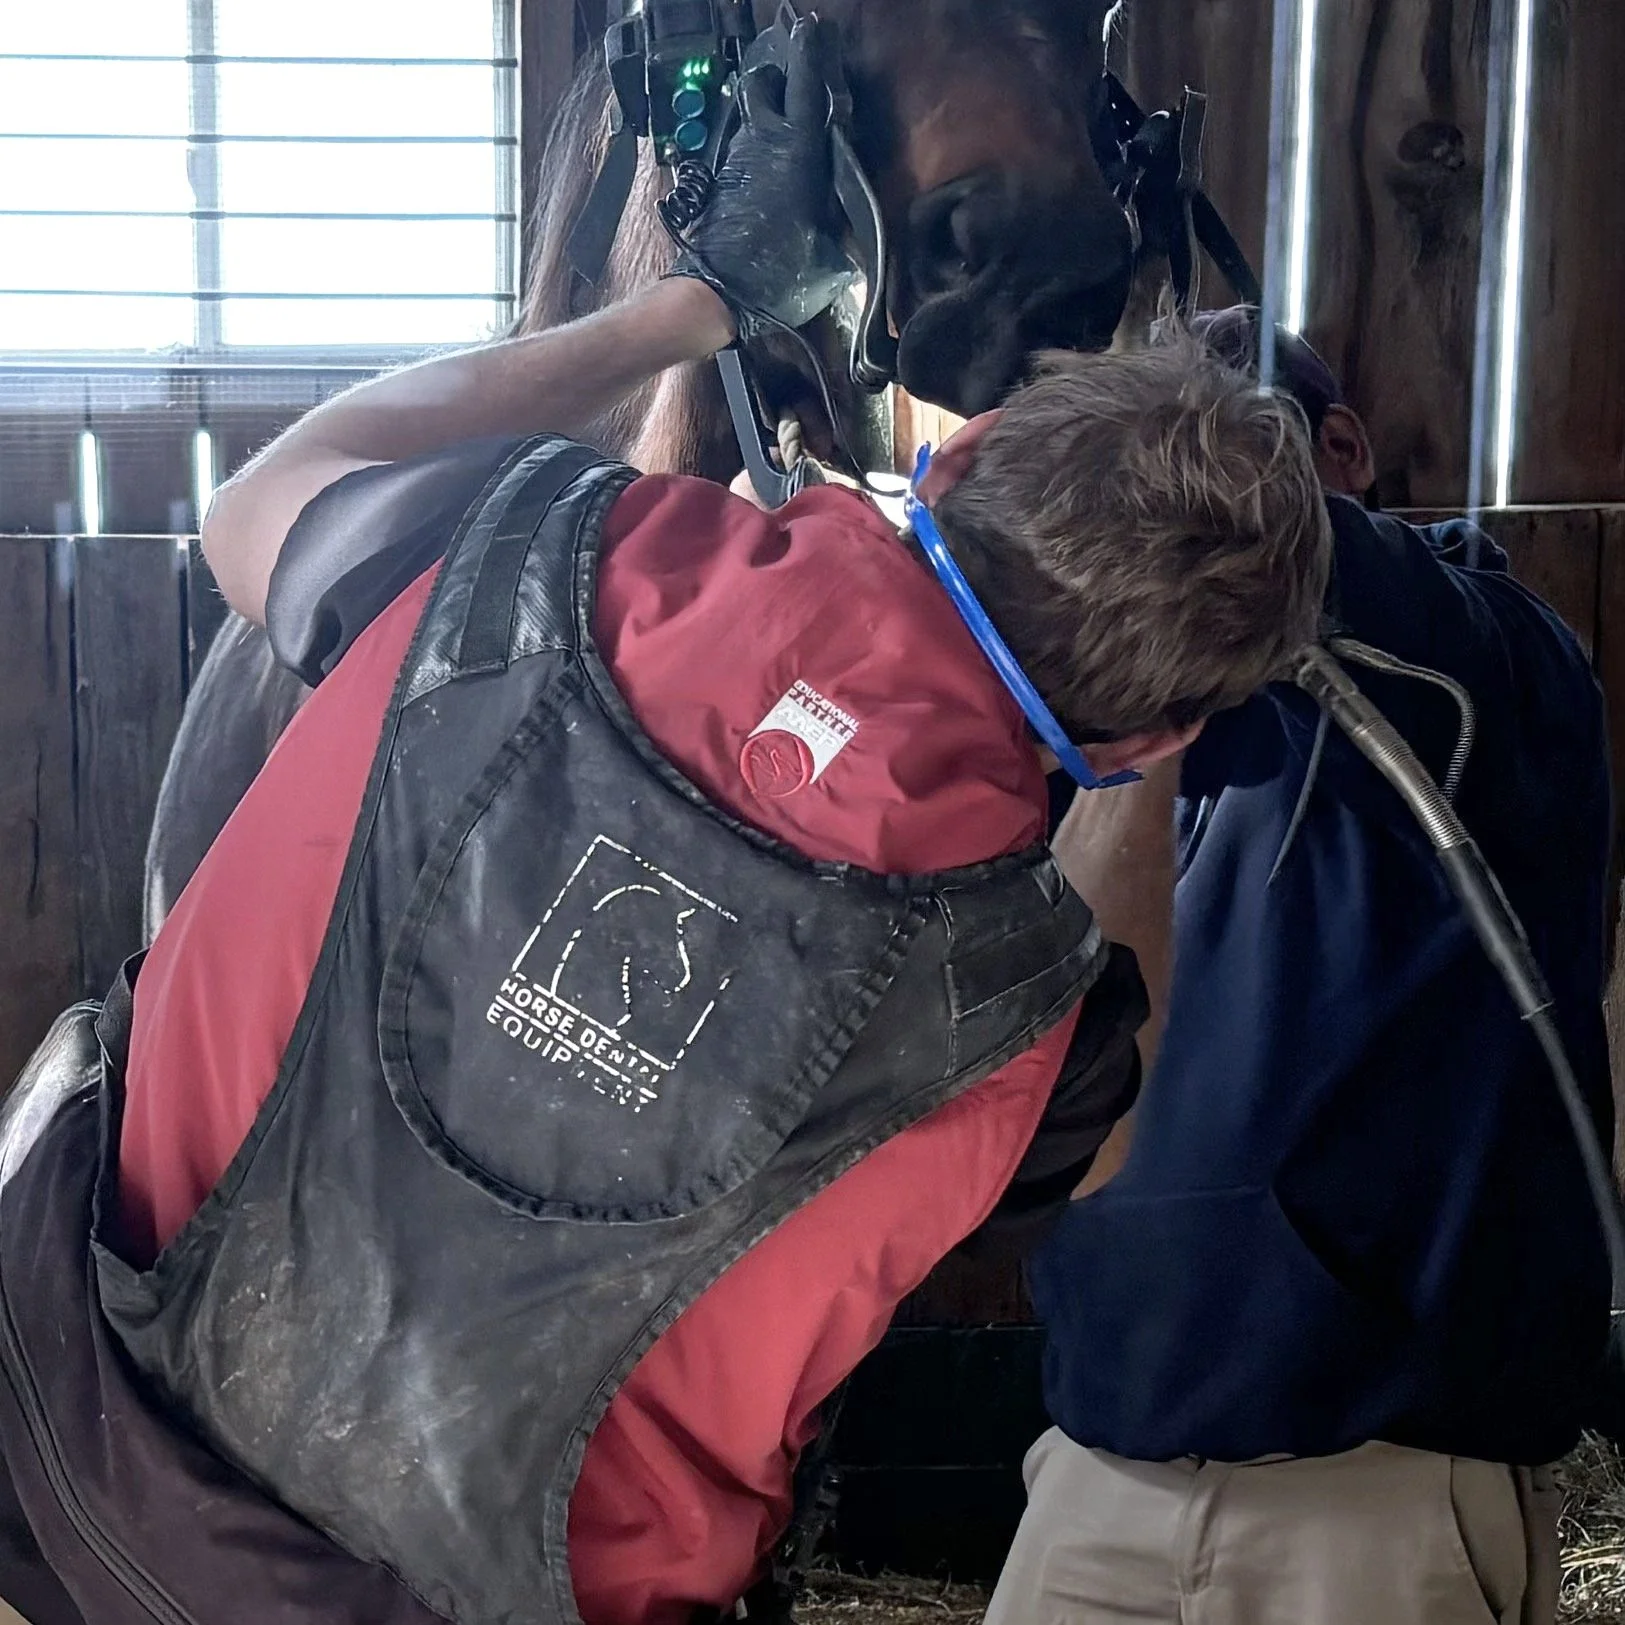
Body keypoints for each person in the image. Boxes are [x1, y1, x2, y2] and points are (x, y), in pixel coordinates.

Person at [0, 36, 1329, 1625]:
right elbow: (1113, 1137)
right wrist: (1152, 748)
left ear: (952, 455)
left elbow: (257, 510)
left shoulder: (515, 546)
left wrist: (691, 308)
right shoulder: (1031, 1021)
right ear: (1163, 734)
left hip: (64, 1479)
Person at [990, 313, 1613, 1625]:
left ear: (1342, 449)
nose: (1185, 500)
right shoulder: (1113, 725)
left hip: (1380, 1497)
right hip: (1099, 1458)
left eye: (1230, 439)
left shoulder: (1488, 654)